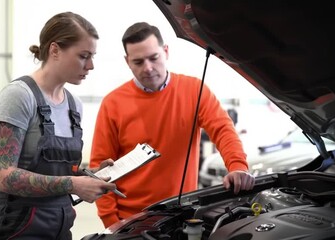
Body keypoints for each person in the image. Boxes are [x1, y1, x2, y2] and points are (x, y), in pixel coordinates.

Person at [89, 22, 255, 228]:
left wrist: (237, 166)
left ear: (165, 51)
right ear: (127, 62)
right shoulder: (112, 103)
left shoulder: (194, 89)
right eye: (138, 62)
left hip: (182, 214)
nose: (148, 68)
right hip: (131, 222)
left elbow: (222, 129)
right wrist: (112, 223)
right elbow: (100, 169)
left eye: (153, 58)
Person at [0, 12, 116, 240]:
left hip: (59, 226)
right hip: (14, 227)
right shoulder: (18, 97)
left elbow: (56, 171)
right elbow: (3, 177)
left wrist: (88, 176)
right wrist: (73, 183)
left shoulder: (74, 106)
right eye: (83, 56)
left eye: (92, 56)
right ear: (55, 50)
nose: (90, 65)